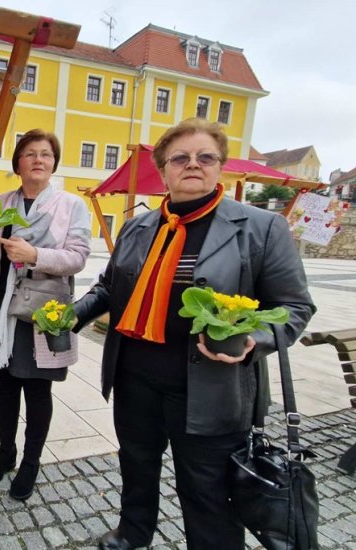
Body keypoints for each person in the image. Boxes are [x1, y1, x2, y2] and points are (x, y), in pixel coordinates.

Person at [71, 118, 316, 550]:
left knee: (206, 490)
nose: (193, 165)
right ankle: (133, 532)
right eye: (180, 158)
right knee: (137, 465)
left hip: (210, 387)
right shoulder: (138, 226)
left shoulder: (259, 227)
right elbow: (111, 287)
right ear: (163, 170)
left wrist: (251, 340)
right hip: (135, 377)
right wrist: (73, 314)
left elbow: (294, 308)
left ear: (220, 166)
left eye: (206, 157)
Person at [0, 129, 91, 501]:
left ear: (53, 164)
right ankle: (6, 450)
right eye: (30, 153)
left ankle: (30, 461)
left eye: (45, 154)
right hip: (1, 310)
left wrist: (36, 256)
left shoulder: (70, 206)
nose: (38, 159)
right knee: (4, 386)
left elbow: (78, 257)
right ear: (18, 163)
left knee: (37, 389)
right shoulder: (1, 202)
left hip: (39, 313)